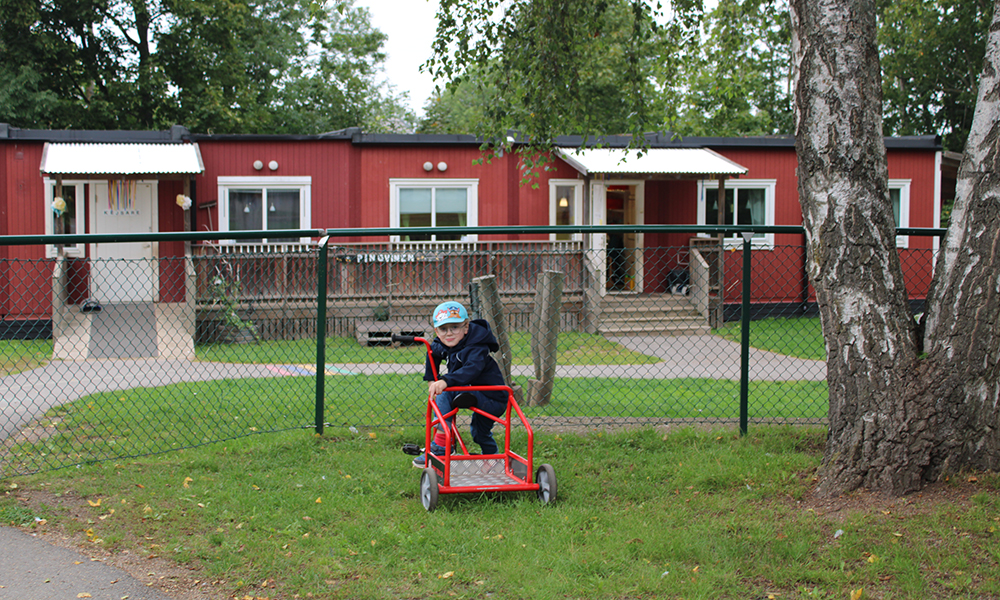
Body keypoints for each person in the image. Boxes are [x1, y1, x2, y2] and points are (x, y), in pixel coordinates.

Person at [413, 300, 508, 468]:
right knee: (479, 433)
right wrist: (432, 379)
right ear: (437, 331)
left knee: (446, 391)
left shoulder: (477, 346)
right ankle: (494, 459)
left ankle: (442, 446)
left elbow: (472, 369)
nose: (449, 333)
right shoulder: (444, 343)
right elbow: (432, 351)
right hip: (473, 392)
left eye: (454, 327)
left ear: (466, 327)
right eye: (443, 329)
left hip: (492, 397)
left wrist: (445, 380)